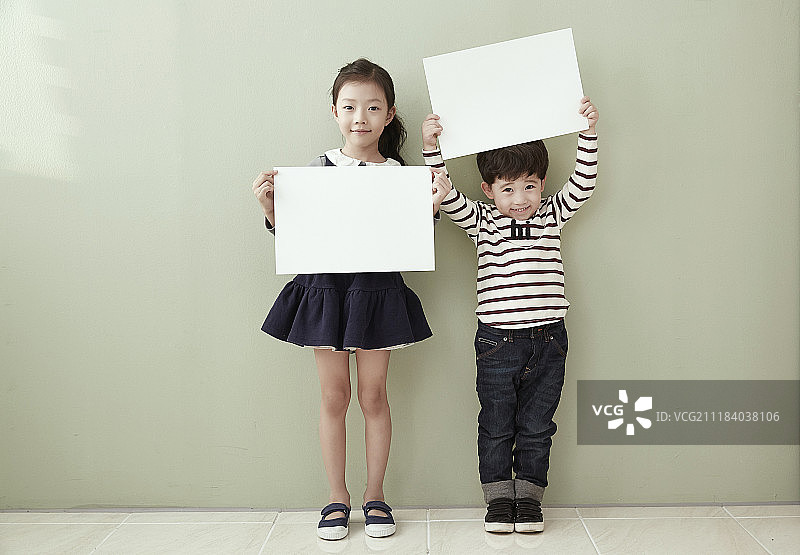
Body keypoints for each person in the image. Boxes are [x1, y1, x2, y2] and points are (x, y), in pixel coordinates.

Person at [252, 59, 449, 541]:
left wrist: (433, 207)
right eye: (350, 106)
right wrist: (271, 208)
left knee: (374, 396)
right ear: (334, 111)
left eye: (372, 106)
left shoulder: (402, 175)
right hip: (327, 293)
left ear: (389, 114)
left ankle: (375, 496)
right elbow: (296, 236)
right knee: (333, 397)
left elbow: (410, 239)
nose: (360, 116)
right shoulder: (314, 172)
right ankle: (336, 498)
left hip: (375, 292)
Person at [423, 97, 599, 533]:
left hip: (549, 339)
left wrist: (589, 133)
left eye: (530, 187)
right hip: (497, 340)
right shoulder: (482, 220)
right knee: (497, 424)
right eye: (508, 189)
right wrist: (431, 145)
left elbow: (585, 180)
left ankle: (531, 500)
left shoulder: (552, 213)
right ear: (488, 189)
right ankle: (499, 501)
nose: (520, 199)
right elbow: (440, 190)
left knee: (538, 426)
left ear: (542, 184)